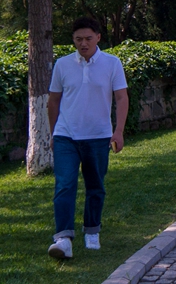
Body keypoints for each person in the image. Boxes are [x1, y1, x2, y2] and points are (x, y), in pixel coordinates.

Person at [46, 17, 130, 260]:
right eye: (78, 39)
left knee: (95, 186)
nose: (83, 44)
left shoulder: (112, 64)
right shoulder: (62, 65)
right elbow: (53, 101)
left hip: (98, 136)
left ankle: (92, 230)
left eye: (88, 39)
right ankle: (63, 239)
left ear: (98, 38)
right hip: (66, 136)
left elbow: (122, 98)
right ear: (73, 40)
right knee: (64, 185)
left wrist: (119, 131)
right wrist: (54, 133)